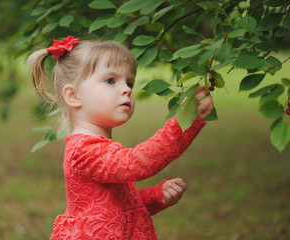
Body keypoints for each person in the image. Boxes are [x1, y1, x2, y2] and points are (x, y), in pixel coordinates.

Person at [27, 36, 214, 240]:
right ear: (73, 96)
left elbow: (119, 206)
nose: (126, 89)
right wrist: (183, 124)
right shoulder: (84, 151)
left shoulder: (101, 147)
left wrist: (156, 196)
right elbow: (138, 163)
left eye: (129, 82)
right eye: (110, 80)